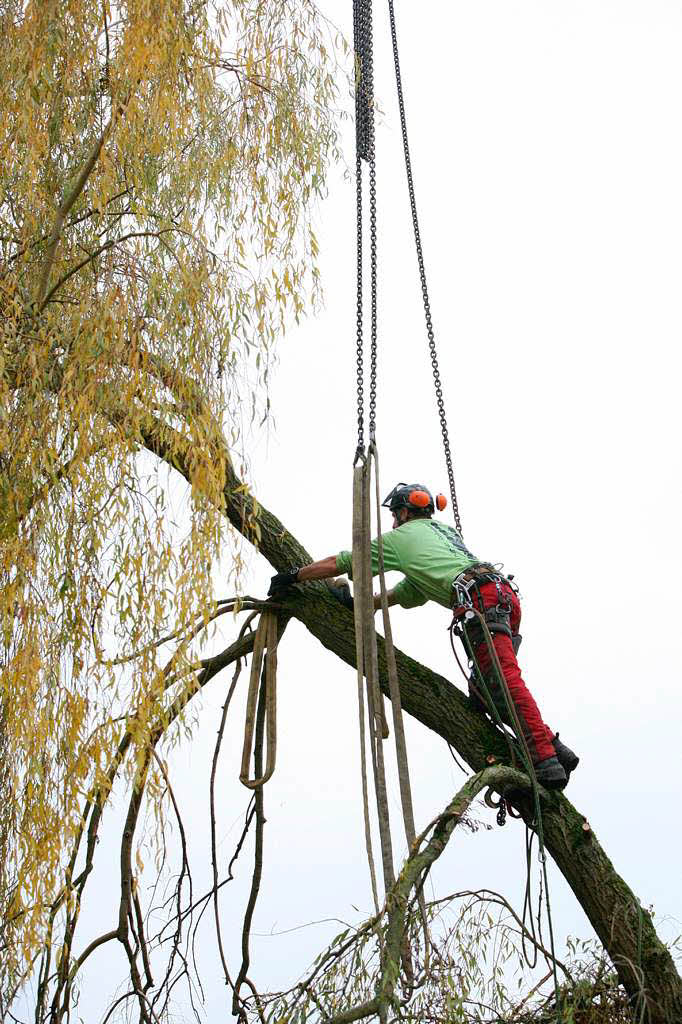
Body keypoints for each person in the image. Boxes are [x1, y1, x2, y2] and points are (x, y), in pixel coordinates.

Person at [268, 482, 578, 790]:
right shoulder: (444, 534)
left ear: (404, 512)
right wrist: (363, 605)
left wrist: (294, 575)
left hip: (481, 601)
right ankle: (555, 749)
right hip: (501, 596)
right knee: (487, 690)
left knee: (504, 680)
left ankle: (545, 761)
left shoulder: (402, 537)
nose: (392, 522)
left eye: (394, 515)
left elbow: (343, 562)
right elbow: (408, 591)